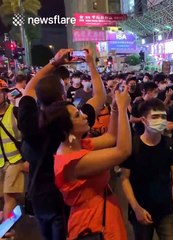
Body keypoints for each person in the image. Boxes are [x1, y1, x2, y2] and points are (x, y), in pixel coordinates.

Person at [19, 48, 106, 240]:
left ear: (39, 98)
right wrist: (90, 62)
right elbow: (100, 96)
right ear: (62, 96)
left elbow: (29, 89)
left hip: (39, 198)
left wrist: (55, 62)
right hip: (66, 199)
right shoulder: (71, 121)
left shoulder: (28, 121)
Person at [41, 86, 131, 239]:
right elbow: (123, 151)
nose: (84, 116)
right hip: (93, 223)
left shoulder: (76, 145)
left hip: (102, 214)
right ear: (65, 129)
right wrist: (123, 109)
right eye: (77, 115)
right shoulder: (73, 162)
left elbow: (111, 137)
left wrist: (115, 109)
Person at [120, 99, 173, 240]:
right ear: (144, 120)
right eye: (155, 117)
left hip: (166, 210)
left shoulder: (169, 144)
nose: (161, 120)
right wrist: (136, 208)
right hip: (141, 209)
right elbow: (125, 180)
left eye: (163, 117)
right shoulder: (133, 146)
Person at [0, 79, 24, 221]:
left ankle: (6, 231)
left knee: (10, 196)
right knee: (3, 197)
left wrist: (26, 159)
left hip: (15, 160)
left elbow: (26, 137)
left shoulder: (15, 112)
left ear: (5, 94)